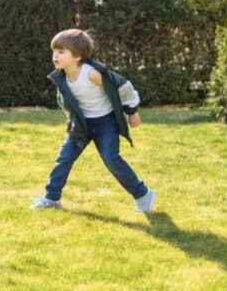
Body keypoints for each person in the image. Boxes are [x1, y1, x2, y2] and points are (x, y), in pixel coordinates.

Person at [31, 29, 156, 213]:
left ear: (78, 57)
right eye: (54, 52)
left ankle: (143, 195)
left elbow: (123, 87)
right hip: (82, 124)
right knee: (64, 159)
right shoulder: (62, 76)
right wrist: (71, 120)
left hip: (105, 122)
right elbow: (66, 102)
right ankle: (51, 198)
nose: (55, 56)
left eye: (61, 52)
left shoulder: (92, 74)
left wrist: (132, 111)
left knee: (111, 159)